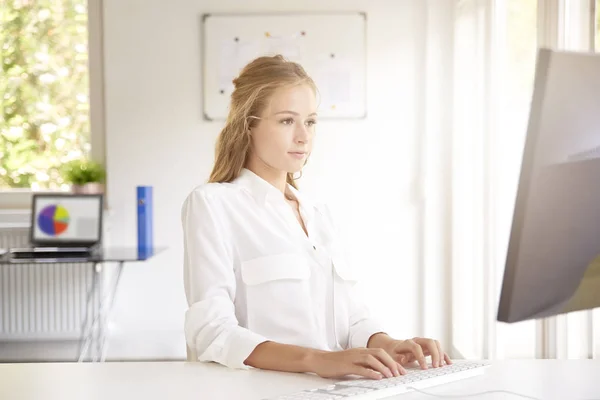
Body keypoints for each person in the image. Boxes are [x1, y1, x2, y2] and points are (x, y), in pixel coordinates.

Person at [181, 55, 451, 380]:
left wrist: (387, 344)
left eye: (310, 121)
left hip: (337, 391)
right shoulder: (213, 204)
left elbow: (350, 318)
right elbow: (212, 332)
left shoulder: (318, 214)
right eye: (286, 121)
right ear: (248, 125)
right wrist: (317, 359)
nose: (303, 136)